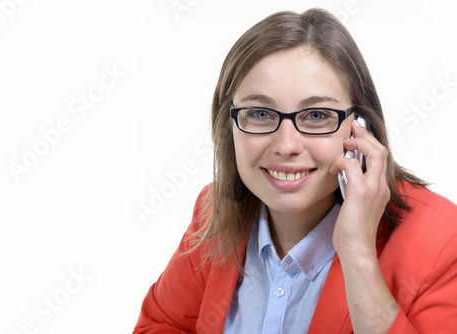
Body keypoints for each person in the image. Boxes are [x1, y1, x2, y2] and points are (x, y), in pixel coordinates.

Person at [133, 8, 457, 333]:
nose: (286, 145)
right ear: (229, 125)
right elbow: (162, 324)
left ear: (361, 128)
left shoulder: (439, 240)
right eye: (260, 113)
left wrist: (357, 254)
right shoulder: (215, 211)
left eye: (316, 116)